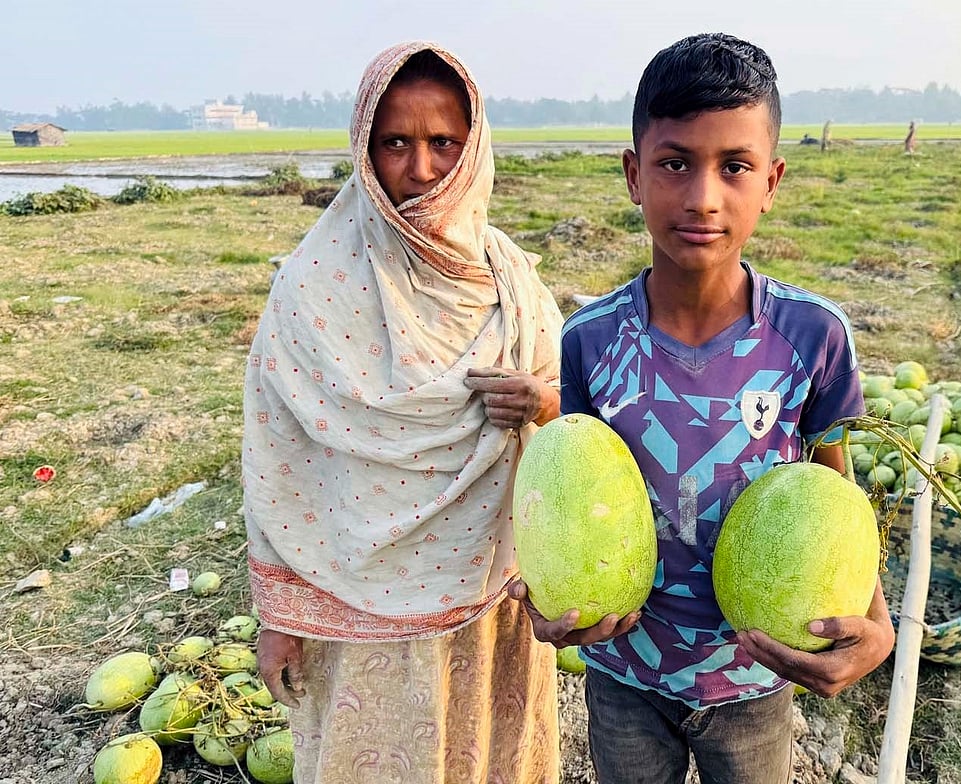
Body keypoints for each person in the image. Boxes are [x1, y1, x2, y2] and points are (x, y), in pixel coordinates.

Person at [509, 33, 895, 783]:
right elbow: (568, 479)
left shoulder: (814, 336)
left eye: (735, 167)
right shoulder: (588, 339)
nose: (703, 196)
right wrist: (547, 595)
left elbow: (833, 495)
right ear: (633, 174)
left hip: (755, 676)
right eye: (675, 162)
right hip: (624, 671)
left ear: (772, 181)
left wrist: (875, 624)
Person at [242, 42, 564, 784]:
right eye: (396, 143)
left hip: (493, 599)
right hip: (356, 605)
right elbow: (276, 461)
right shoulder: (310, 288)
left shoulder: (510, 280)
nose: (421, 170)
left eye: (444, 143)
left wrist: (545, 403)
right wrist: (279, 620)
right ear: (365, 146)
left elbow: (571, 420)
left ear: (474, 145)